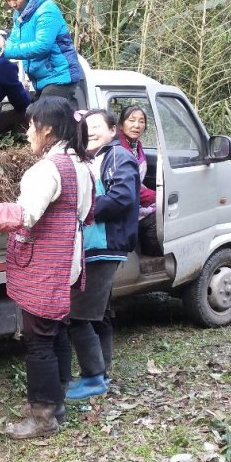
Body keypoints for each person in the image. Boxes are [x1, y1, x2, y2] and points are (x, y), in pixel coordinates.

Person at [0, 98, 94, 438]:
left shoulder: (47, 169)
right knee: (55, 331)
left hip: (46, 267)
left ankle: (42, 416)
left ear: (49, 130)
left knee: (39, 340)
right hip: (67, 262)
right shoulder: (82, 166)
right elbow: (84, 213)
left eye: (31, 125)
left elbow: (24, 215)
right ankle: (56, 401)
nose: (27, 133)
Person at [66, 109, 139, 400]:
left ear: (113, 131)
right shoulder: (89, 159)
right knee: (99, 315)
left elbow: (123, 197)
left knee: (78, 316)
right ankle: (102, 371)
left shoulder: (120, 157)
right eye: (86, 127)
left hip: (104, 247)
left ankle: (93, 378)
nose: (91, 131)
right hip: (93, 247)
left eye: (97, 126)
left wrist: (84, 208)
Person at [0, 0, 86, 106]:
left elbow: (41, 46)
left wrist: (3, 51)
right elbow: (13, 40)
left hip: (60, 77)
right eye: (8, 0)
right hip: (42, 79)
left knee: (43, 119)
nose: (13, 4)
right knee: (33, 117)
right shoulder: (20, 14)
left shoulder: (47, 10)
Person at [118, 104, 161, 255]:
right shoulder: (119, 148)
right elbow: (130, 186)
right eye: (132, 120)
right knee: (158, 213)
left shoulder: (137, 145)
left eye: (141, 121)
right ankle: (151, 254)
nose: (137, 125)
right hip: (126, 200)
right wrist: (157, 196)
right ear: (121, 124)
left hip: (136, 194)